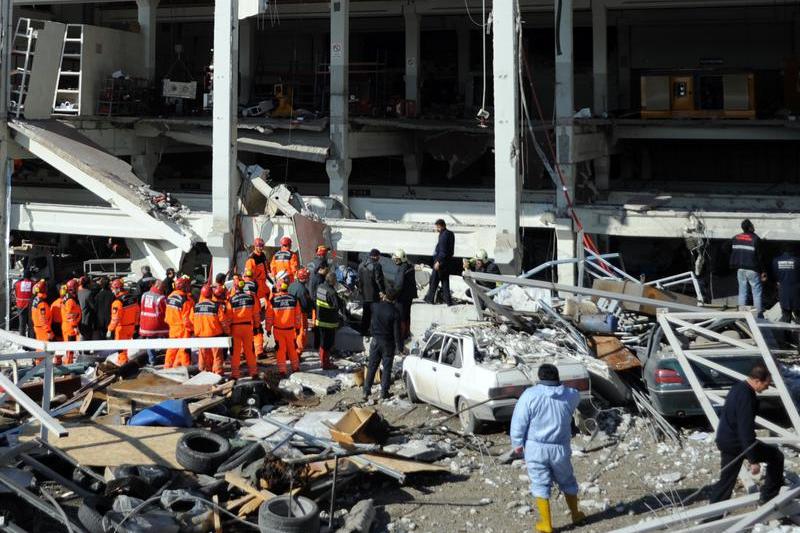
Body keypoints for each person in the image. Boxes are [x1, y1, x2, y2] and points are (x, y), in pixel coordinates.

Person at [510, 364, 585, 533]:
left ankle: (546, 524)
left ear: (539, 378)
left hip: (535, 447)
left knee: (540, 483)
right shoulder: (570, 395)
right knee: (567, 480)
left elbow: (518, 422)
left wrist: (517, 444)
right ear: (557, 377)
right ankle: (576, 514)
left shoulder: (529, 395)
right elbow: (575, 396)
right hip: (560, 448)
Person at [708, 364, 784, 506]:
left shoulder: (737, 388)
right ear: (757, 381)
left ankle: (711, 515)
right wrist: (753, 460)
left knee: (726, 480)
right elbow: (745, 429)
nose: (767, 388)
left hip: (726, 440)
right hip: (737, 443)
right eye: (766, 384)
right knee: (776, 456)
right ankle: (768, 497)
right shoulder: (747, 397)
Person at [362, 291, 401, 401]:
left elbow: (371, 305)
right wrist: (400, 347)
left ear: (385, 296)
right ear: (394, 300)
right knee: (387, 368)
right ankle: (384, 392)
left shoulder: (376, 307)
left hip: (375, 341)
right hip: (388, 343)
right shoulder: (395, 312)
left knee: (372, 366)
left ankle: (366, 390)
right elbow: (397, 332)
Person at [730, 219, 766, 317]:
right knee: (756, 293)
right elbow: (760, 257)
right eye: (753, 225)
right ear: (750, 227)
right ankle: (758, 315)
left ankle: (741, 315)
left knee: (742, 292)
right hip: (753, 269)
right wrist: (763, 271)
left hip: (740, 269)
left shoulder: (736, 237)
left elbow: (724, 248)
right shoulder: (755, 239)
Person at [266, 280, 303, 376]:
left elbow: (269, 317)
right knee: (292, 349)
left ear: (279, 288)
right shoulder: (294, 300)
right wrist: (298, 327)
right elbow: (298, 316)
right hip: (290, 330)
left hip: (278, 330)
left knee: (280, 350)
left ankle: (282, 370)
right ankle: (296, 367)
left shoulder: (273, 301)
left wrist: (268, 328)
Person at [191, 285, 229, 375]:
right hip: (215, 336)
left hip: (201, 336)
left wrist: (196, 330)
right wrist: (227, 332)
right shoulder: (216, 306)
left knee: (203, 356)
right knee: (217, 356)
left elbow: (191, 320)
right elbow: (223, 321)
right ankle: (218, 374)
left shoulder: (195, 307)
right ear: (211, 294)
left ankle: (203, 373)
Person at [228, 280, 259, 379]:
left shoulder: (231, 299)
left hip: (235, 328)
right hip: (248, 327)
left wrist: (228, 330)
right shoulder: (251, 298)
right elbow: (256, 314)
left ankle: (235, 374)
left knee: (235, 352)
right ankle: (253, 372)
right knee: (250, 351)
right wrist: (257, 326)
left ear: (235, 288)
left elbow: (229, 316)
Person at [107, 279, 139, 365]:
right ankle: (124, 360)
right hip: (131, 327)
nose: (112, 291)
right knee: (125, 347)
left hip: (122, 328)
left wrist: (110, 329)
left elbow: (115, 318)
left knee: (120, 348)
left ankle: (123, 363)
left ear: (117, 289)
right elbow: (137, 312)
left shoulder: (117, 302)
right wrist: (135, 325)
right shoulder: (133, 298)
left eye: (113, 289)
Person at [165, 276, 194, 368]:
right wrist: (191, 329)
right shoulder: (186, 300)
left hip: (172, 327)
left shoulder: (170, 296)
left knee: (171, 349)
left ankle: (167, 367)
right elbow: (187, 318)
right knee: (184, 350)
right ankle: (185, 368)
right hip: (183, 328)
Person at [424, 219, 455, 306]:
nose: (437, 229)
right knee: (444, 281)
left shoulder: (443, 235)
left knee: (434, 281)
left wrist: (438, 262)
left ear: (441, 226)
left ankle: (430, 299)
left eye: (437, 227)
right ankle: (448, 301)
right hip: (446, 262)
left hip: (440, 262)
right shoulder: (450, 234)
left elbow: (443, 251)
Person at [139, 280, 169, 365]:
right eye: (163, 288)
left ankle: (152, 360)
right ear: (159, 287)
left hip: (145, 325)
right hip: (157, 325)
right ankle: (168, 358)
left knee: (149, 341)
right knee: (168, 339)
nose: (163, 290)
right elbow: (166, 312)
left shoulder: (144, 295)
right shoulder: (161, 298)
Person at [315, 272, 340, 370]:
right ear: (332, 281)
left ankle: (322, 361)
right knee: (328, 343)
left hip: (320, 319)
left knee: (323, 342)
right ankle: (326, 363)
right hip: (329, 322)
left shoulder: (320, 287)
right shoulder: (332, 292)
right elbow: (336, 306)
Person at [358, 249, 386, 336]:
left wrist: (361, 291)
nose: (379, 258)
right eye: (378, 256)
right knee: (375, 314)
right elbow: (379, 280)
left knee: (366, 314)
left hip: (365, 294)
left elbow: (359, 280)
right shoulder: (377, 265)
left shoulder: (361, 265)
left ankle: (363, 330)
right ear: (375, 256)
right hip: (374, 294)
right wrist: (382, 291)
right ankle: (374, 331)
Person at [391, 249, 416, 345]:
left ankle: (401, 336)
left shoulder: (402, 269)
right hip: (409, 296)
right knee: (406, 316)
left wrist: (391, 296)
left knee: (400, 318)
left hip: (401, 298)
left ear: (401, 259)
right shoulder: (409, 266)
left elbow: (398, 285)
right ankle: (406, 334)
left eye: (397, 259)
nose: (395, 261)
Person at [309, 245, 330, 350]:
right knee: (319, 317)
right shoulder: (321, 262)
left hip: (311, 291)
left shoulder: (312, 261)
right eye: (326, 253)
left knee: (315, 314)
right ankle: (317, 344)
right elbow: (324, 273)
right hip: (317, 292)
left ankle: (314, 328)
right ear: (323, 254)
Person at [242, 269, 266, 360]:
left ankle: (242, 352)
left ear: (244, 277)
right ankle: (259, 352)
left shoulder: (241, 284)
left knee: (243, 331)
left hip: (244, 311)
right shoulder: (255, 284)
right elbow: (261, 295)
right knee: (257, 330)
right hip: (254, 309)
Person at [773, 244, 800, 324]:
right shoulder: (798, 261)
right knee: (798, 316)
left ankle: (786, 335)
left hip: (783, 292)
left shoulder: (775, 261)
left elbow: (775, 276)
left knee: (786, 316)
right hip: (796, 293)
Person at [289, 268, 313, 354]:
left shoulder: (291, 285)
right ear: (304, 278)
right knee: (301, 332)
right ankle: (298, 351)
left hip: (291, 313)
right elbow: (305, 304)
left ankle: (294, 347)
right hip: (301, 314)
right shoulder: (302, 290)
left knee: (294, 331)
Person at [61, 279, 82, 365]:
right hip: (70, 327)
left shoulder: (69, 297)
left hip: (69, 325)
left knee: (70, 349)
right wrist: (74, 326)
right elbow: (69, 315)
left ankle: (69, 363)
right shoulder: (70, 301)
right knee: (70, 349)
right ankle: (68, 365)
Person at [245, 237, 270, 302]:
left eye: (262, 246)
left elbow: (265, 266)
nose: (261, 248)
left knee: (268, 295)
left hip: (263, 281)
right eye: (259, 246)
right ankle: (259, 311)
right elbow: (248, 274)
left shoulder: (262, 254)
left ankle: (266, 311)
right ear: (255, 246)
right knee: (258, 299)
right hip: (257, 283)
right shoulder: (252, 258)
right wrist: (250, 286)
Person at [14, 270, 33, 337]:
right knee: (31, 324)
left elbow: (16, 293)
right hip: (29, 306)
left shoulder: (17, 284)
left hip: (20, 306)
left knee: (22, 324)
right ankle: (30, 340)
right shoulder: (32, 283)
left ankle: (23, 342)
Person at [94, 277, 114, 341]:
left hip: (100, 319)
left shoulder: (98, 295)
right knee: (111, 337)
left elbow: (95, 308)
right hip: (110, 318)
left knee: (102, 338)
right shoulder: (112, 295)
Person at [77, 276, 95, 341]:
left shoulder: (78, 292)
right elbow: (93, 306)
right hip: (87, 318)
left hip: (79, 318)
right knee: (88, 337)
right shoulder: (89, 293)